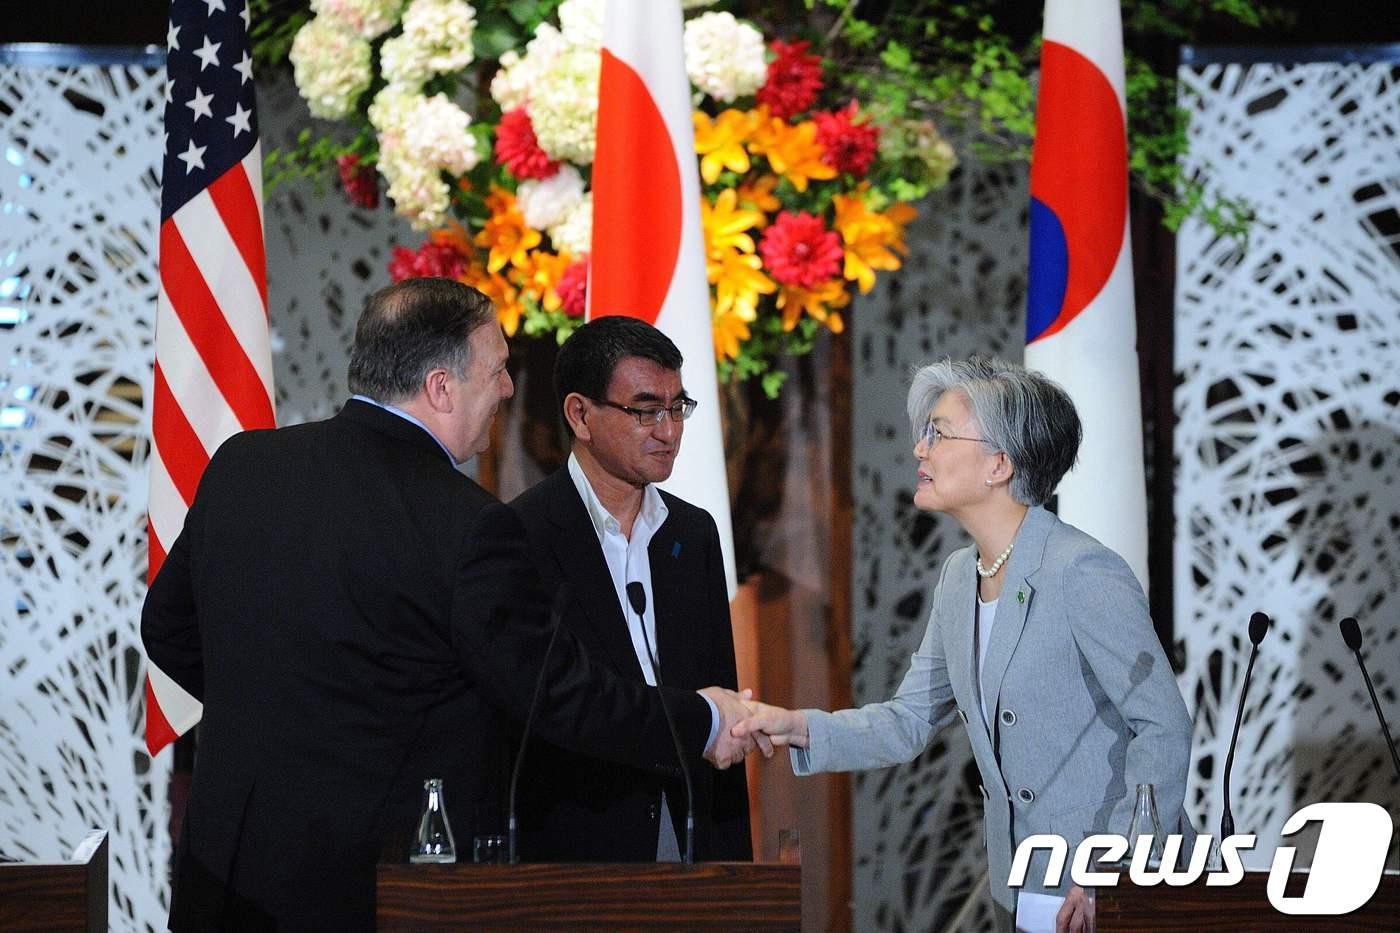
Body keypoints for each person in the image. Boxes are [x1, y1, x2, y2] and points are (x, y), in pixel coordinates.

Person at [142, 278, 756, 932]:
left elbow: (168, 629)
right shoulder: (470, 526)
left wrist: (285, 715)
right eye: (495, 370)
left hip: (226, 873)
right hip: (373, 886)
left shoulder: (244, 465)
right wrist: (705, 720)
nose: (508, 389)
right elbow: (560, 695)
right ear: (440, 387)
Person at [734, 357, 1193, 932]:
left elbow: (1163, 725)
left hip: (1107, 893)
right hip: (1024, 888)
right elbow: (908, 720)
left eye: (939, 433)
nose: (920, 450)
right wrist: (797, 726)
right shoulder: (958, 576)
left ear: (999, 464)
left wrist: (1117, 867)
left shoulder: (1083, 572)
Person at [510, 317, 751, 863]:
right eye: (645, 410)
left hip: (689, 836)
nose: (668, 430)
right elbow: (544, 708)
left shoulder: (694, 533)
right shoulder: (522, 534)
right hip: (575, 852)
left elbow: (719, 701)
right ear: (580, 414)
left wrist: (733, 867)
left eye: (678, 408)